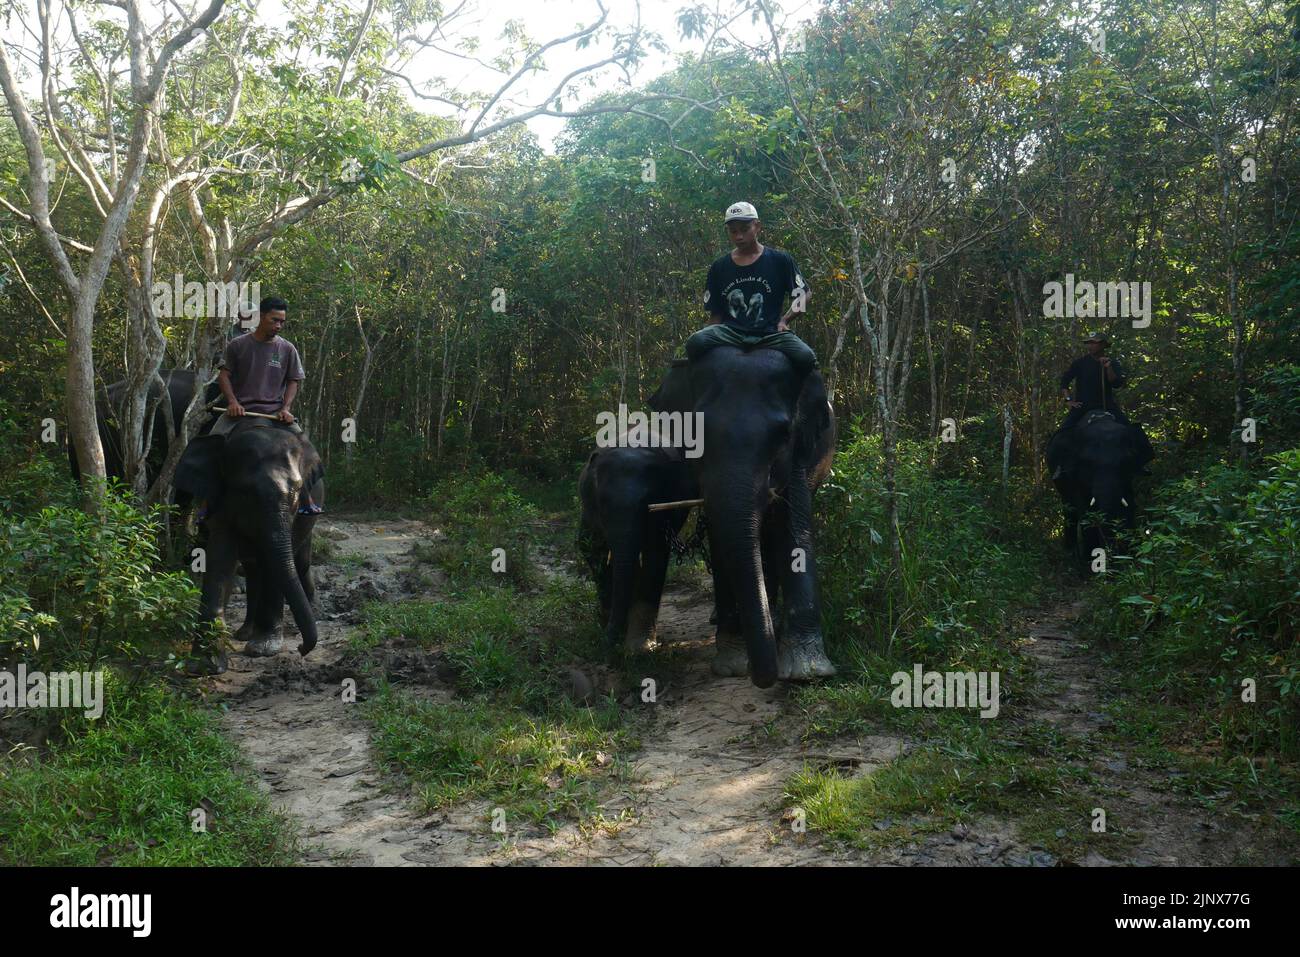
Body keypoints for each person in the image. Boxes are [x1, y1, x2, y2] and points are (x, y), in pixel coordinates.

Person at [197, 295, 321, 520]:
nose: (278, 325)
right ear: (261, 317)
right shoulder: (238, 345)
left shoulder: (287, 349)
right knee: (211, 445)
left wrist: (286, 407)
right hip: (241, 413)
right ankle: (207, 501)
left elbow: (294, 380)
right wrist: (233, 402)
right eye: (274, 320)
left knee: (306, 448)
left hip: (275, 414)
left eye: (282, 322)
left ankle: (306, 499)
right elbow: (224, 375)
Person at [686, 202, 818, 375]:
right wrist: (707, 335)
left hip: (770, 333)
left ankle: (813, 401)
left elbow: (804, 294)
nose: (739, 236)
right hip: (730, 332)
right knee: (695, 342)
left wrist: (785, 320)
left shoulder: (780, 260)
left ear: (757, 226)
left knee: (806, 356)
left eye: (744, 229)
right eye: (733, 231)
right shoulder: (719, 267)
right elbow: (716, 314)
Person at [1051, 331, 1153, 477]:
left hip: (1107, 405)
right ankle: (1061, 466)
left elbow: (1116, 383)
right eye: (1089, 342)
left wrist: (1108, 367)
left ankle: (1140, 463)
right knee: (1063, 433)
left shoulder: (1113, 363)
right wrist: (1069, 401)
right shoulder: (1080, 363)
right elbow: (1064, 382)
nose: (1090, 345)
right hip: (1082, 406)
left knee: (1131, 430)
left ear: (1103, 345)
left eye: (1094, 342)